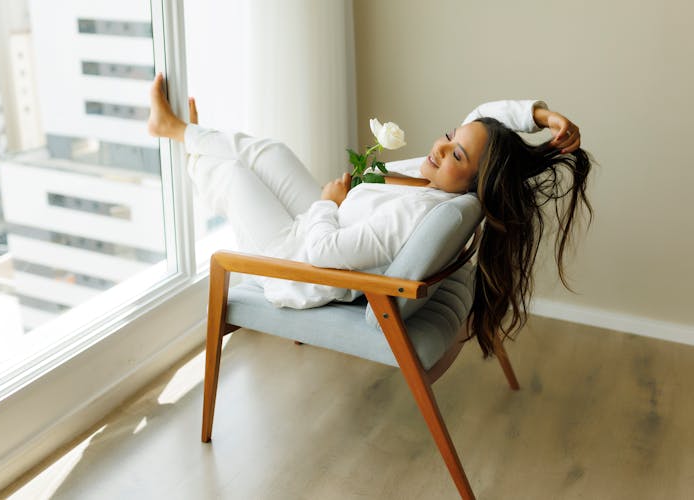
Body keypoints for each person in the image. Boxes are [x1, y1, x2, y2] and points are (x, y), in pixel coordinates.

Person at [148, 74, 592, 357]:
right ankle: (188, 134)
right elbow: (481, 120)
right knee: (273, 152)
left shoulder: (418, 215)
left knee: (231, 178)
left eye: (455, 153)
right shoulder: (448, 182)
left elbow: (321, 253)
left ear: (478, 181)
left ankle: (186, 145)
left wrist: (327, 203)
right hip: (333, 224)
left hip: (300, 266)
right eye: (448, 136)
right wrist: (543, 116)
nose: (439, 148)